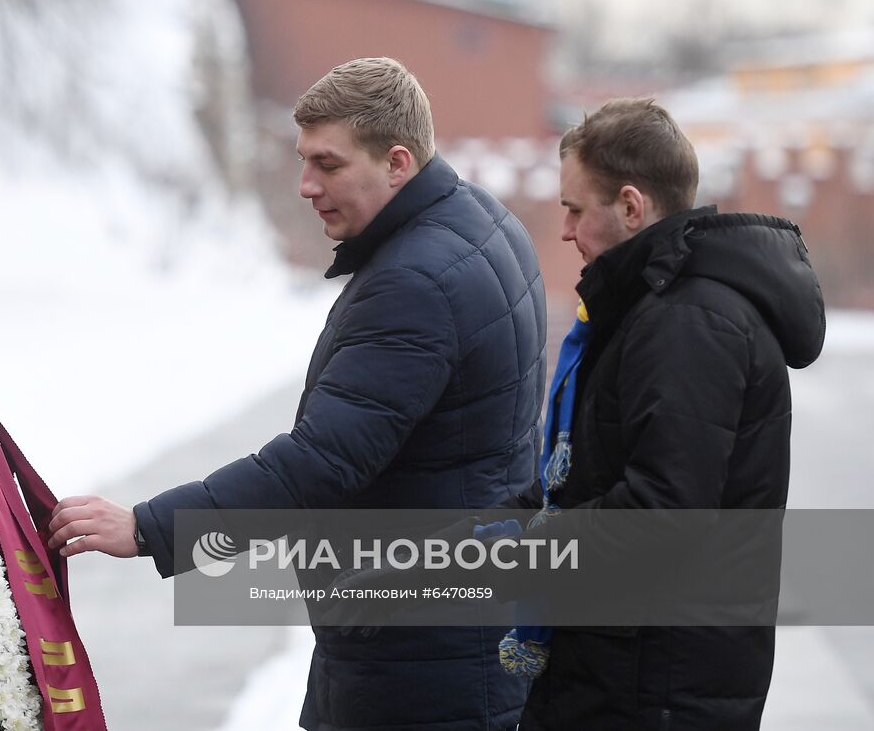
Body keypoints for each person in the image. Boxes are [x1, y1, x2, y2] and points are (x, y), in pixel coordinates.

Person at [48, 57, 546, 730]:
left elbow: (321, 462)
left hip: (416, 660)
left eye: (329, 164)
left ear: (398, 162)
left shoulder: (417, 283)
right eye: (304, 160)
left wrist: (148, 527)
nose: (306, 184)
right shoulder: (483, 221)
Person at [499, 98, 825, 729]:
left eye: (574, 209)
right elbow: (589, 477)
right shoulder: (651, 310)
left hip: (653, 688)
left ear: (630, 206)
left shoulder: (688, 324)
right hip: (625, 671)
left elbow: (661, 520)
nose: (564, 230)